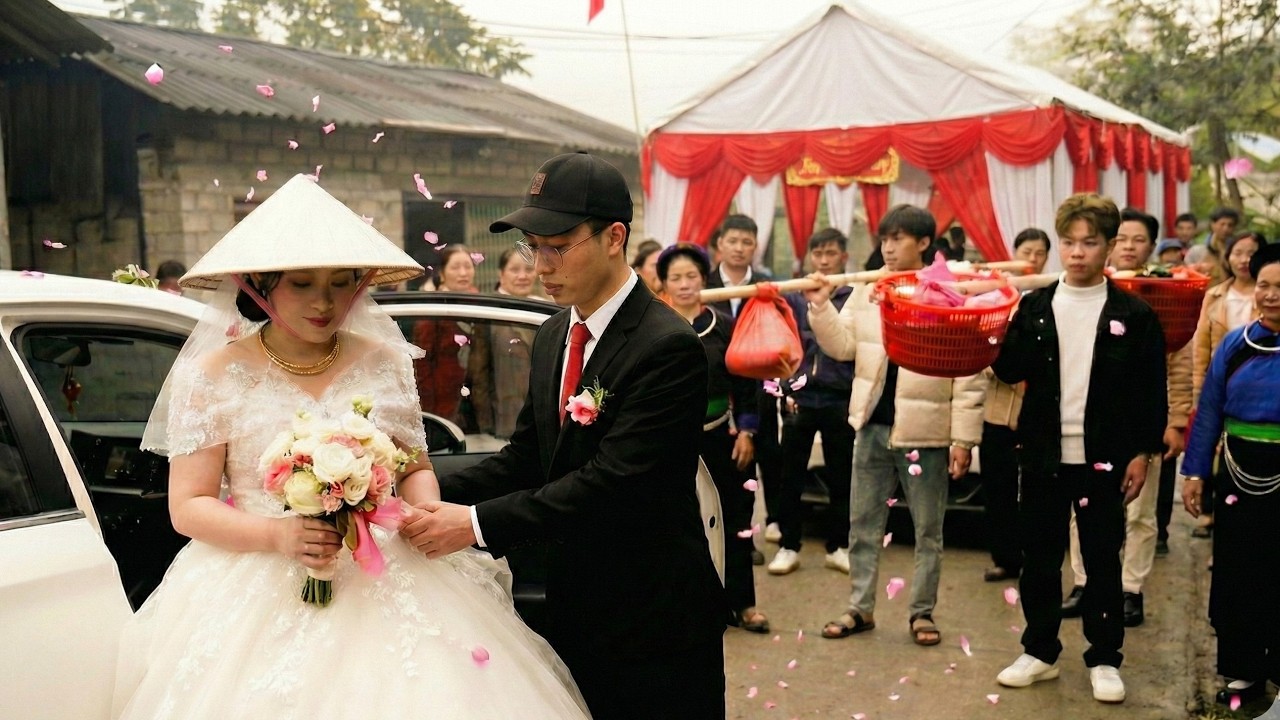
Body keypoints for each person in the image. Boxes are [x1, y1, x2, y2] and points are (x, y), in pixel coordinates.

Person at [114, 174, 591, 719]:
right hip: (259, 574)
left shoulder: (385, 359)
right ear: (258, 285)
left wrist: (421, 506)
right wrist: (280, 533)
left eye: (342, 282)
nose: (325, 301)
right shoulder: (212, 374)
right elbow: (188, 507)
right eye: (302, 284)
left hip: (387, 566)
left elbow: (412, 463)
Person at [398, 152, 729, 719]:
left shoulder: (666, 347)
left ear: (614, 237)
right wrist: (411, 483)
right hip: (571, 604)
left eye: (558, 245)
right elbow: (529, 457)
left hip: (652, 617)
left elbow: (615, 485)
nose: (542, 264)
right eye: (533, 246)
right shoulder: (554, 334)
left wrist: (473, 525)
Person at [992, 193, 1167, 704]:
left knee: (1101, 560)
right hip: (1043, 452)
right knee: (1040, 558)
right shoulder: (1037, 305)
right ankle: (1040, 651)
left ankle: (1105, 657)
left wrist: (1141, 452)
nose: (1077, 252)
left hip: (1105, 459)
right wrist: (993, 324)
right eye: (1068, 242)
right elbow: (1008, 368)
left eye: (1090, 243)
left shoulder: (1133, 314)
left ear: (1110, 247)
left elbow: (1149, 390)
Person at [803, 204, 985, 648]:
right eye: (884, 238)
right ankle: (860, 607)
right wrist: (821, 307)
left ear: (923, 243)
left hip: (927, 433)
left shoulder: (949, 291)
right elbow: (843, 347)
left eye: (898, 238)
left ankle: (922, 612)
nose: (887, 246)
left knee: (927, 530)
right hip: (871, 426)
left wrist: (964, 437)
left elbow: (968, 372)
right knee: (862, 524)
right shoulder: (869, 290)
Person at [1060, 208, 1191, 627]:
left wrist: (1174, 420)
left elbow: (1179, 368)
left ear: (1152, 246)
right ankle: (1083, 582)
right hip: (1091, 424)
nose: (1131, 246)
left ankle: (1131, 588)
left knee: (1139, 510)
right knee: (1083, 508)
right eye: (1125, 238)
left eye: (1140, 240)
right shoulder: (1088, 290)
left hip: (1141, 422)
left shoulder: (1169, 293)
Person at [1181, 243, 1280, 715]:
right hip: (1239, 475)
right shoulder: (1235, 345)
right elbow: (1209, 414)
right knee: (1240, 572)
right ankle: (1244, 669)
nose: (1271, 295)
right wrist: (1196, 472)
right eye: (1264, 285)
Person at [657, 242, 769, 634]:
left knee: (734, 519)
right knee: (677, 525)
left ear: (703, 279)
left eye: (691, 276)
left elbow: (746, 382)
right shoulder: (656, 324)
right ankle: (690, 606)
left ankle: (743, 603)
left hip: (722, 435)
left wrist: (747, 431)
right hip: (671, 442)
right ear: (664, 283)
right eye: (676, 278)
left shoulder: (724, 323)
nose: (685, 284)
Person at [768, 228, 855, 577]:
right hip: (799, 398)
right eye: (817, 253)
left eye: (830, 253)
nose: (823, 259)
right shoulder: (795, 296)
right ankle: (789, 545)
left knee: (842, 476)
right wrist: (786, 389)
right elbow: (782, 343)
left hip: (840, 397)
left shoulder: (854, 296)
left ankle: (840, 545)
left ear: (844, 257)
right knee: (791, 476)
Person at [981, 228, 1052, 584]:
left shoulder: (1053, 297)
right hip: (998, 406)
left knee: (1035, 487)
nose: (1033, 259)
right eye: (1027, 250)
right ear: (1013, 252)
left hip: (1036, 408)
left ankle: (1034, 555)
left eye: (1040, 253)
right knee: (1000, 486)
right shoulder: (994, 296)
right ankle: (1004, 557)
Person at [1190, 231, 1266, 537]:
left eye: (1251, 253)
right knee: (1216, 454)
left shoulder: (1269, 295)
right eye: (1238, 252)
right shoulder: (1215, 295)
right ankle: (1215, 519)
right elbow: (1201, 348)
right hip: (1219, 386)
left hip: (1257, 391)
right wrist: (1198, 392)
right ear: (1227, 256)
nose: (1243, 259)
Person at [470, 248, 539, 439]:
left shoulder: (542, 309)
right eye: (515, 270)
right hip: (504, 420)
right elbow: (479, 375)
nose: (523, 276)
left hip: (538, 416)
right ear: (501, 274)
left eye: (528, 269)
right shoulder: (490, 313)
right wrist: (486, 426)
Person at [412, 245, 479, 430]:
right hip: (442, 400)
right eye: (455, 267)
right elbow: (422, 366)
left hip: (475, 398)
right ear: (442, 273)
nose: (463, 273)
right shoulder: (433, 309)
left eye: (468, 266)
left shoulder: (481, 304)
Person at [1201, 206, 1242, 284]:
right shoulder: (1200, 249)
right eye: (1222, 224)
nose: (1225, 228)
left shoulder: (1238, 249)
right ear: (1213, 224)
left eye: (1230, 225)